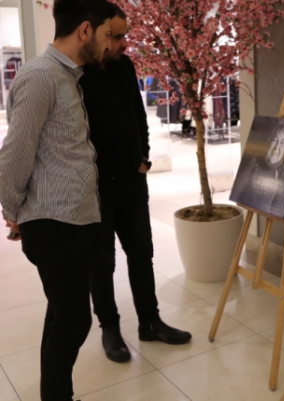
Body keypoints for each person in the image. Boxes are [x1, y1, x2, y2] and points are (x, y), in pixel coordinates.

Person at [0, 0, 113, 399]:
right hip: (54, 225)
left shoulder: (68, 77)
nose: (108, 46)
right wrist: (13, 212)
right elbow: (14, 155)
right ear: (85, 30)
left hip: (74, 222)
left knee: (62, 317)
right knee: (73, 322)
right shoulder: (40, 77)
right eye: (104, 36)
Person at [79, 2, 191, 364]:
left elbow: (137, 114)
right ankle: (110, 330)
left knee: (142, 254)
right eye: (115, 35)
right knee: (102, 262)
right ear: (94, 32)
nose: (123, 43)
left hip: (132, 181)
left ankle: (150, 321)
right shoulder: (76, 74)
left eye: (124, 34)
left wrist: (143, 157)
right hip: (96, 188)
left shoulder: (125, 66)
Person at [230, 120, 284, 217]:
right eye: (274, 140)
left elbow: (279, 210)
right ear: (267, 141)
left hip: (266, 219)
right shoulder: (253, 161)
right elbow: (237, 193)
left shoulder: (283, 173)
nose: (277, 147)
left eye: (282, 143)